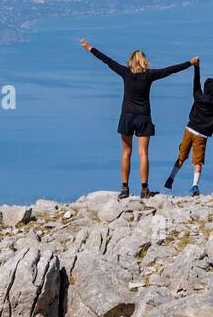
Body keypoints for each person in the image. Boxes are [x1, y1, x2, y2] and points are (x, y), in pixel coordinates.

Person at [79, 38, 196, 198]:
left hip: (127, 116)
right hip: (143, 117)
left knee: (126, 152)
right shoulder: (149, 75)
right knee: (143, 153)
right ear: (144, 61)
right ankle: (144, 189)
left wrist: (89, 47)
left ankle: (125, 189)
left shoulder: (125, 72)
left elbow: (107, 60)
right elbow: (170, 70)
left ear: (131, 61)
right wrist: (190, 63)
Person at [162, 59, 213, 196]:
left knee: (181, 156)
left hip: (189, 129)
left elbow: (196, 83)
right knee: (198, 161)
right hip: (201, 135)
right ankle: (195, 186)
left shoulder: (198, 97)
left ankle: (171, 177)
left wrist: (196, 67)